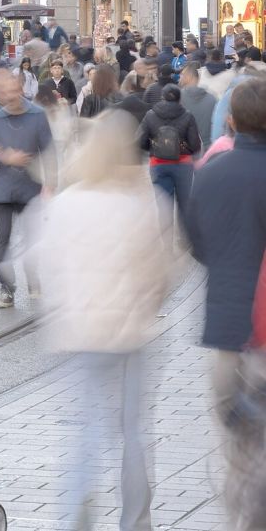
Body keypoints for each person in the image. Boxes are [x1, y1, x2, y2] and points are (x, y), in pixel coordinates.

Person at [40, 109, 169, 531]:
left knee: (86, 432)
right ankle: (136, 521)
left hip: (82, 334)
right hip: (129, 335)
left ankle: (76, 520)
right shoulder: (142, 202)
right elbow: (160, 274)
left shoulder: (66, 203)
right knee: (132, 432)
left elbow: (47, 265)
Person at [186, 78, 266, 531]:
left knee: (239, 445)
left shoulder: (211, 172)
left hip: (228, 328)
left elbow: (197, 244)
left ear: (231, 121)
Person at [0, 69, 54, 308]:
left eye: (13, 90)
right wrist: (2, 158)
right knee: (3, 237)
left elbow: (49, 151)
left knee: (32, 237)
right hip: (4, 187)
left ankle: (33, 278)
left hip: (31, 186)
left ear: (21, 89)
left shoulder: (38, 115)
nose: (9, 96)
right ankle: (6, 288)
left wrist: (51, 183)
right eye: (4, 92)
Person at [137, 84, 201, 232]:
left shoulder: (150, 115)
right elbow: (195, 146)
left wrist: (154, 148)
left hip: (158, 164)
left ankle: (167, 244)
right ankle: (184, 240)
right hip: (183, 165)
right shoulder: (188, 116)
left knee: (164, 207)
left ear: (162, 98)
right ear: (180, 99)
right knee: (184, 206)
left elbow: (140, 141)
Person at [178, 62, 216, 153]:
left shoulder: (178, 98)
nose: (180, 78)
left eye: (182, 75)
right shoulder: (212, 98)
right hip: (208, 149)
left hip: (186, 150)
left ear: (189, 76)